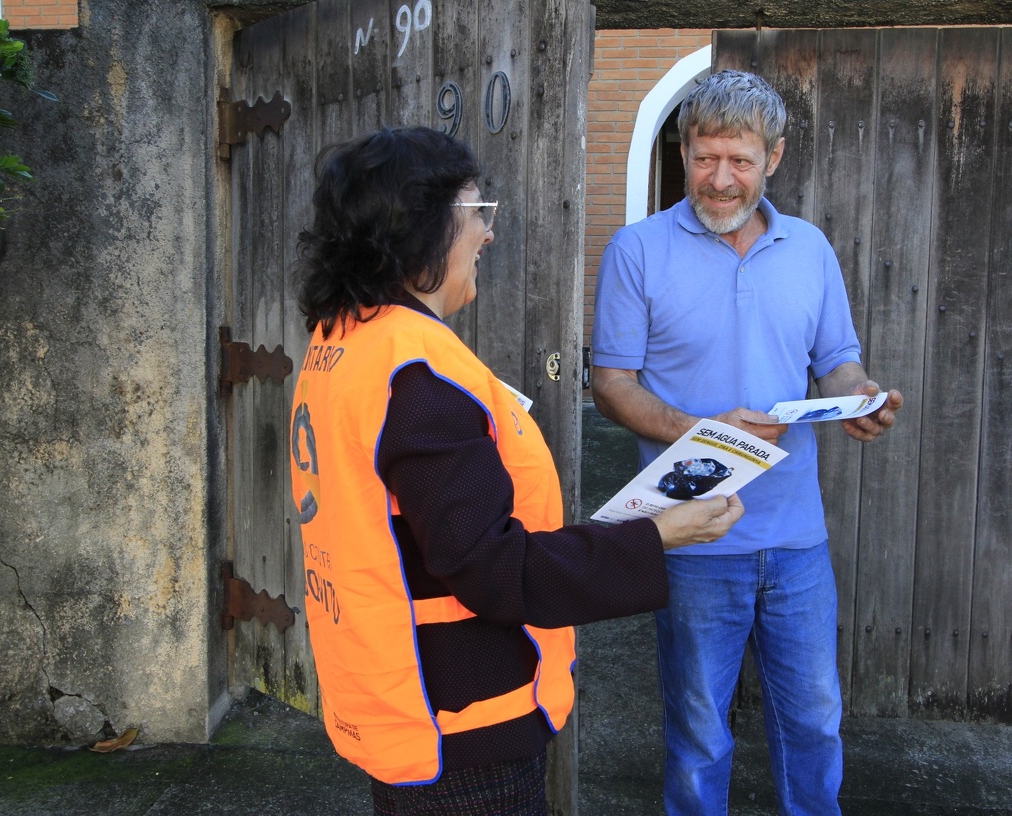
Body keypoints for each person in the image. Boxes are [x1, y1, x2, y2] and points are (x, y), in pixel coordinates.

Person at [287, 126, 745, 816]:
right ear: (424, 231)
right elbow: (493, 572)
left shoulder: (345, 339)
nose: (487, 236)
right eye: (478, 215)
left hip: (392, 686)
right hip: (461, 719)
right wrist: (656, 537)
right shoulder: (418, 377)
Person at [590, 71, 904, 816]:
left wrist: (859, 395)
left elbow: (839, 361)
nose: (722, 179)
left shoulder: (811, 249)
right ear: (684, 150)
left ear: (775, 158)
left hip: (798, 539)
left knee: (814, 723)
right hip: (691, 537)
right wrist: (699, 432)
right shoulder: (636, 251)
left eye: (740, 159)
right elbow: (611, 384)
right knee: (699, 733)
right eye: (706, 157)